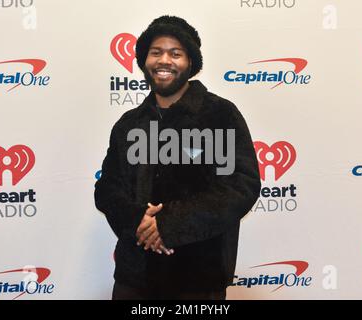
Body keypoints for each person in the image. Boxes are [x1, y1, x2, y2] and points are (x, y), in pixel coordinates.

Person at [95, 15, 261, 300]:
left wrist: (169, 225)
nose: (164, 61)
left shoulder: (219, 115)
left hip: (198, 278)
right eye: (156, 52)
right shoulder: (129, 124)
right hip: (134, 277)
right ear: (144, 61)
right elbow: (107, 188)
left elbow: (239, 186)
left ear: (191, 63)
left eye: (176, 53)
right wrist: (138, 221)